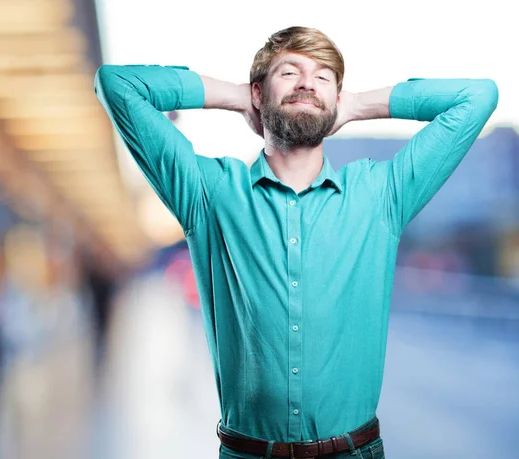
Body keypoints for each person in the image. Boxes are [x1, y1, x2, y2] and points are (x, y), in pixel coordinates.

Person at [94, 26, 498, 458]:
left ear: (336, 99)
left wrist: (358, 106)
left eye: (323, 77)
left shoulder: (382, 195)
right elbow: (117, 84)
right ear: (259, 92)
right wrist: (236, 97)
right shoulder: (209, 193)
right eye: (289, 72)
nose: (307, 82)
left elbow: (477, 97)